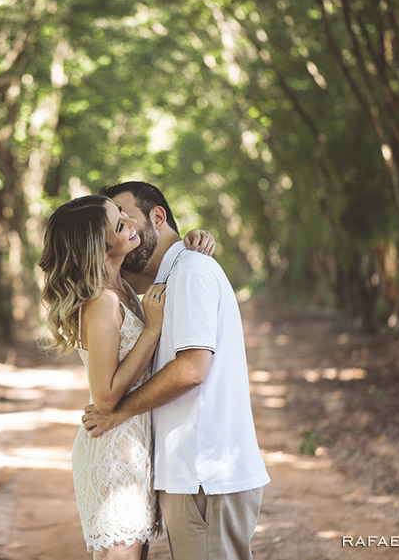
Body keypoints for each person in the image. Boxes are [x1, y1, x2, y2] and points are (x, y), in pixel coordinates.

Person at [82, 181, 270, 560]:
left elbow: (191, 370)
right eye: (113, 228)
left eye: (125, 219)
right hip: (188, 473)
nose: (124, 231)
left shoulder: (190, 272)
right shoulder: (159, 284)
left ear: (158, 217)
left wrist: (118, 412)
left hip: (205, 471)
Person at [38, 194, 215, 560]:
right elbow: (104, 398)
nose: (132, 223)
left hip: (134, 445)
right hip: (114, 446)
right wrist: (151, 330)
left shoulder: (122, 290)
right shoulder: (102, 302)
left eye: (123, 215)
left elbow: (167, 261)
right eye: (120, 225)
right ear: (99, 248)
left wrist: (194, 239)